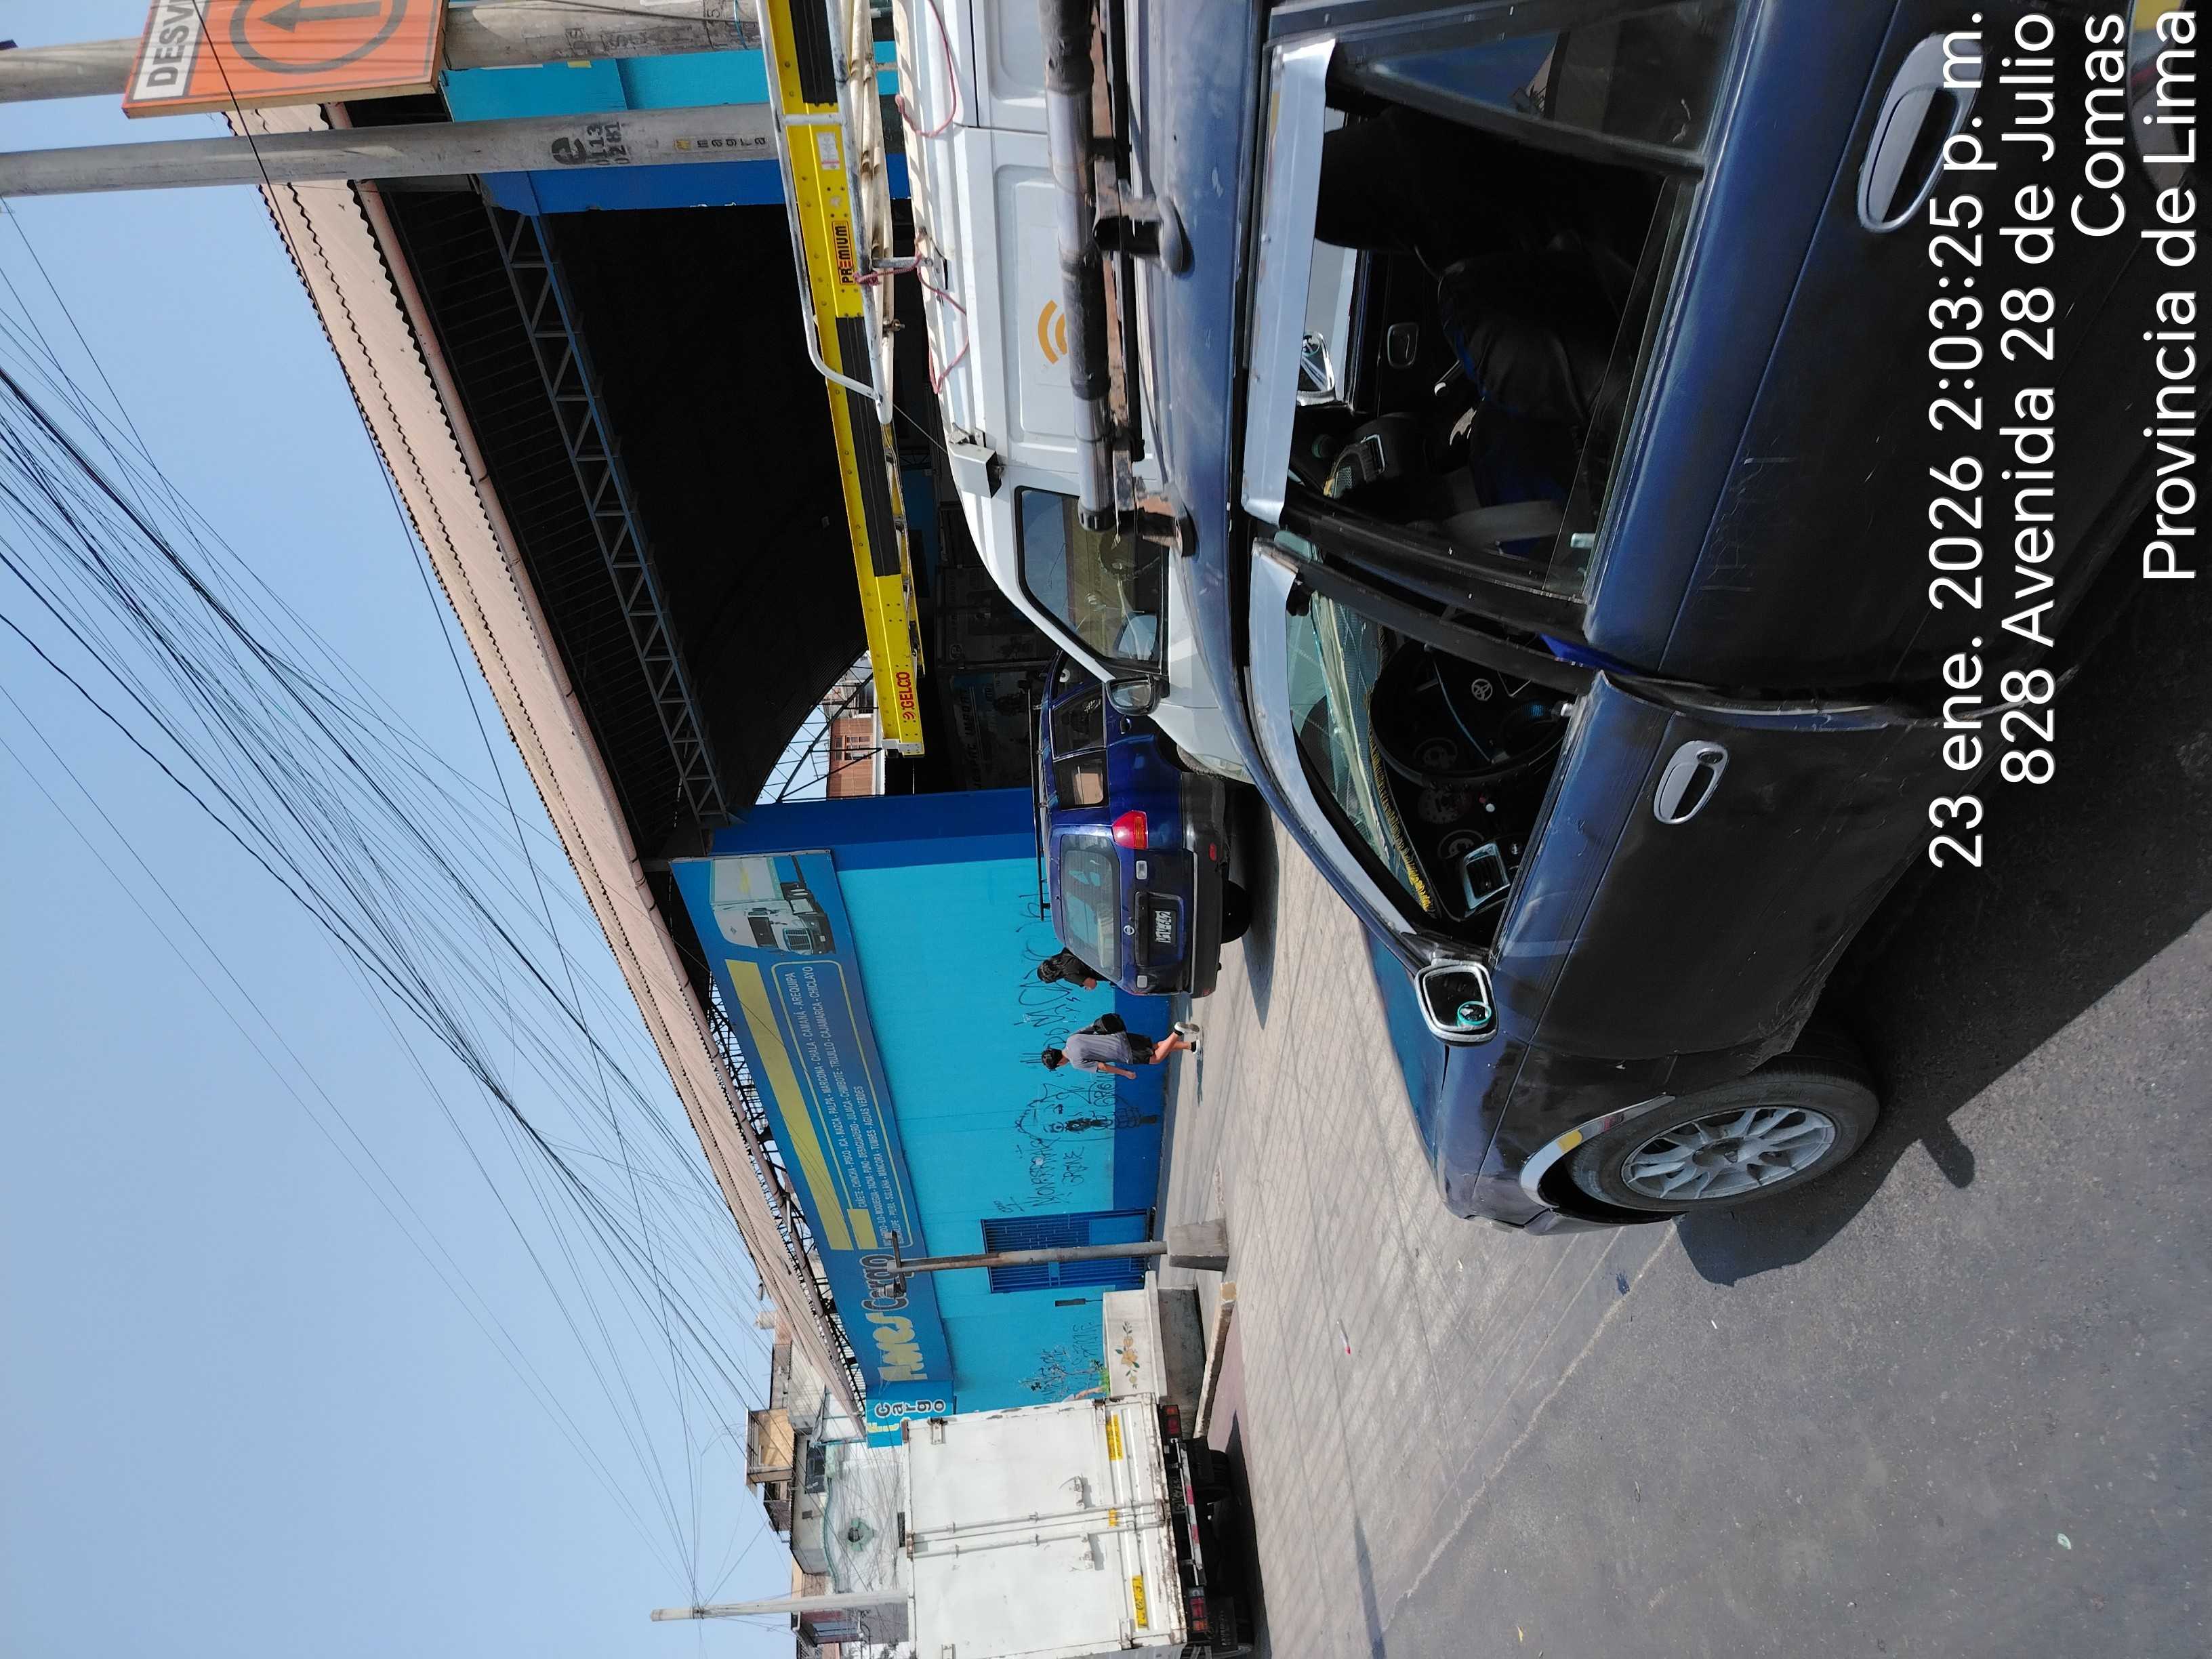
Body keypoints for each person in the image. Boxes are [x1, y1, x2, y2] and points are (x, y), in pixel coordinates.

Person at [1042, 1015, 1201, 1078]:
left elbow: (1103, 1066)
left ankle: (1177, 1032)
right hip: (1121, 1036)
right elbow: (1093, 1027)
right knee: (1154, 1047)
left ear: (1059, 1063)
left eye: (1058, 1066)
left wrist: (1125, 1073)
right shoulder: (1071, 1039)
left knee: (1156, 1059)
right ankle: (1192, 1046)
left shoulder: (1076, 1063)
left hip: (1123, 1053)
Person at [1035, 949, 1101, 991]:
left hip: (1103, 968)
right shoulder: (1066, 951)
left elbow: (1093, 983)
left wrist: (1088, 987)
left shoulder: (1069, 976)